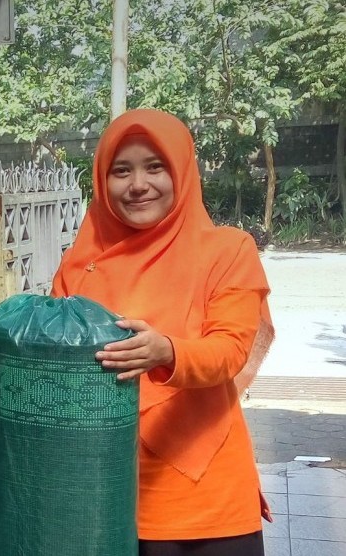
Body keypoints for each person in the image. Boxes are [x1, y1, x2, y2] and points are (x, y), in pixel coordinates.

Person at [51, 109, 274, 556]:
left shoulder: (226, 251)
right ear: (101, 179)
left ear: (182, 171)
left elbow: (230, 349)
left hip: (206, 495)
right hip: (105, 493)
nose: (137, 184)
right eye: (121, 170)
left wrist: (166, 351)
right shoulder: (78, 266)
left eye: (155, 166)